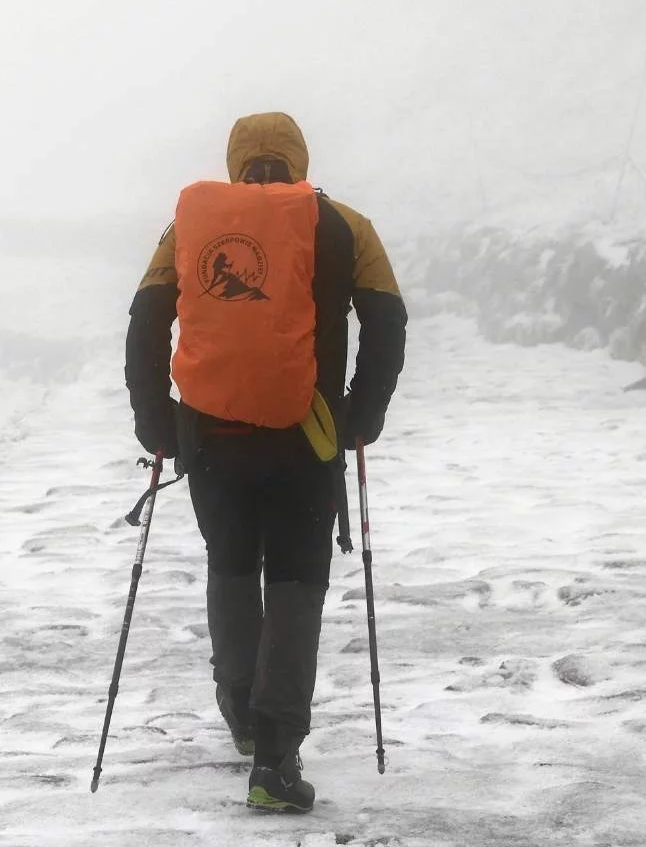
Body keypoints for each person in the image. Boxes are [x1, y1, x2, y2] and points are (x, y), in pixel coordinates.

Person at [124, 111, 407, 813]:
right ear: (299, 158)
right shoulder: (342, 223)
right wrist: (359, 413)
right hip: (304, 437)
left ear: (234, 161)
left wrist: (156, 419)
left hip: (209, 435)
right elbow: (388, 319)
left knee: (230, 563)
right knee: (295, 578)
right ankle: (277, 759)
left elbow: (147, 317)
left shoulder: (190, 226)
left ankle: (239, 706)